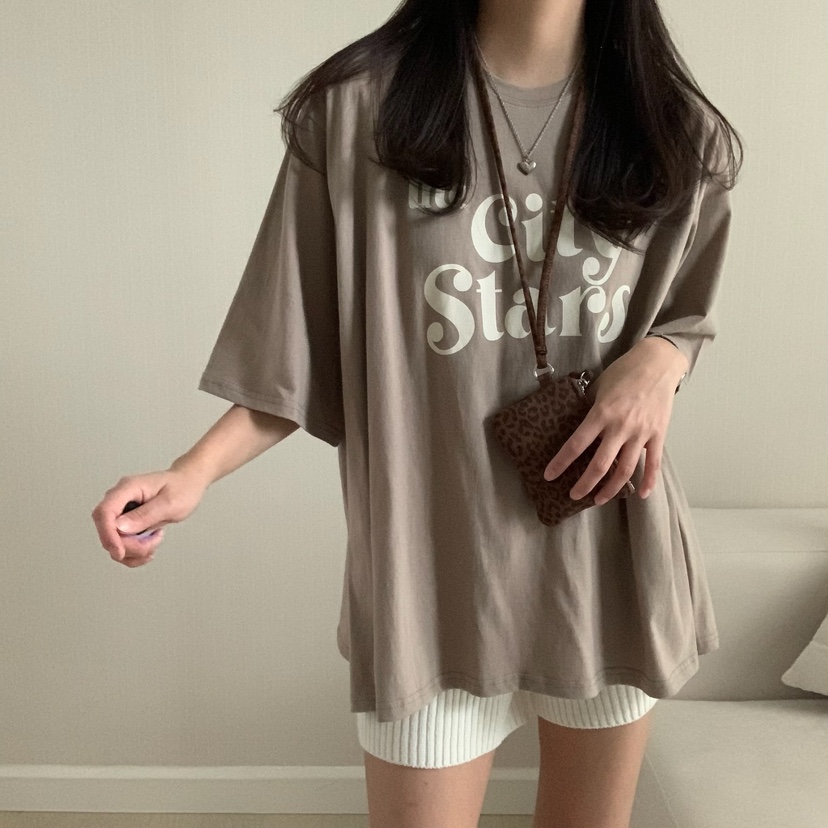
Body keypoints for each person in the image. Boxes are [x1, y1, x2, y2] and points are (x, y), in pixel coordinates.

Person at [92, 0, 742, 825]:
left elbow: (686, 313)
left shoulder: (671, 126)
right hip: (429, 584)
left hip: (606, 564)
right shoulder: (355, 114)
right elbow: (293, 345)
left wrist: (664, 358)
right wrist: (190, 475)